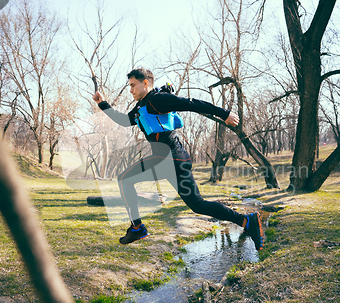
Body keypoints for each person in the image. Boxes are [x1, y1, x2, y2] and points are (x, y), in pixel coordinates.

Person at [92, 68, 265, 251]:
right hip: (175, 159)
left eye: (133, 85)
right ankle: (246, 220)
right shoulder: (142, 106)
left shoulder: (157, 100)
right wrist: (103, 103)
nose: (131, 90)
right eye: (129, 86)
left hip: (166, 158)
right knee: (198, 205)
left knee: (124, 179)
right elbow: (125, 120)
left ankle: (137, 228)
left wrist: (224, 114)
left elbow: (191, 103)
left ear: (146, 83)